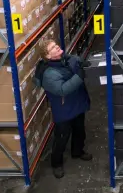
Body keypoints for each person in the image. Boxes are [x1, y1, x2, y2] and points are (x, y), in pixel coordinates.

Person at [33, 39, 92, 178]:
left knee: (79, 129)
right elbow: (62, 90)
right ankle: (56, 163)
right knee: (61, 136)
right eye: (53, 47)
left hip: (76, 103)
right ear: (47, 56)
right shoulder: (48, 73)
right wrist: (79, 76)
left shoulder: (63, 58)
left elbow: (73, 59)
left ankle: (77, 151)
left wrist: (81, 61)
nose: (57, 46)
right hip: (63, 109)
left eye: (56, 44)